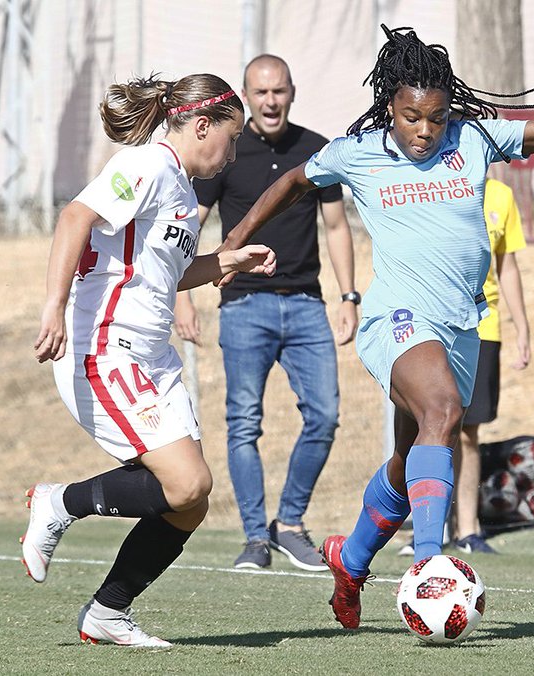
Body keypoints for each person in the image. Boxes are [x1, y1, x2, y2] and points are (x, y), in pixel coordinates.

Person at [219, 25, 534, 629]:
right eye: (412, 117)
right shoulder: (359, 151)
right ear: (390, 103)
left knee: (408, 457)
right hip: (396, 318)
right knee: (441, 412)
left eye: (436, 119)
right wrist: (236, 238)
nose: (425, 131)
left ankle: (354, 558)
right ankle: (429, 567)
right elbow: (292, 182)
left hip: (460, 326)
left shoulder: (474, 138)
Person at [24, 73, 277, 646]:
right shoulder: (147, 165)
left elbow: (167, 274)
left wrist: (226, 261)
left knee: (190, 502)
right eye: (230, 139)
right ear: (202, 124)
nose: (233, 153)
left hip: (154, 358)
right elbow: (74, 217)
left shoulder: (184, 192)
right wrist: (54, 307)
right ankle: (57, 502)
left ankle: (108, 613)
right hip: (108, 348)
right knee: (187, 483)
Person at [173, 55, 357, 572]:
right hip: (243, 306)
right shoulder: (227, 150)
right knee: (243, 423)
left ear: (292, 92)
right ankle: (256, 538)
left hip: (305, 304)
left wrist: (348, 296)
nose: (270, 101)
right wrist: (182, 296)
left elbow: (337, 227)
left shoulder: (316, 150)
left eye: (279, 91)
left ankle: (290, 525)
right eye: (260, 92)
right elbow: (191, 224)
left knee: (324, 415)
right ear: (247, 98)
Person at [452, 177, 531, 554]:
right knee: (426, 425)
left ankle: (468, 528)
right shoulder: (435, 182)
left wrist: (522, 327)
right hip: (435, 322)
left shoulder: (501, 195)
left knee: (468, 431)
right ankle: (426, 524)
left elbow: (508, 267)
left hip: (484, 327)